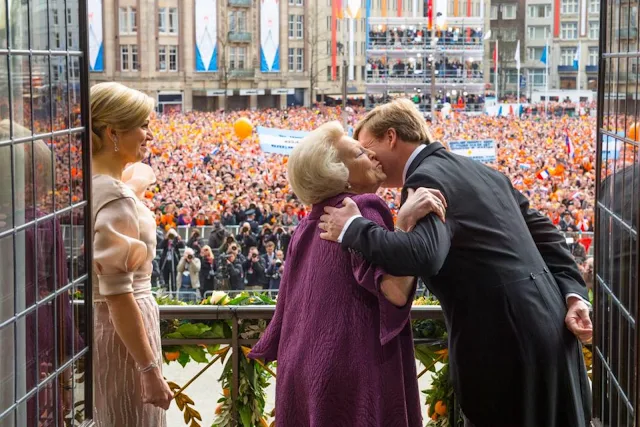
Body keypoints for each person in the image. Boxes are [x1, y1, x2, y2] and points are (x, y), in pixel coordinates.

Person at [318, 99, 592, 427]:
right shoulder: (484, 172)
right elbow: (549, 237)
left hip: (502, 342)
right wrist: (574, 295)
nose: (367, 157)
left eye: (365, 147)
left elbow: (426, 254)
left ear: (391, 137)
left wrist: (353, 228)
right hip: (553, 325)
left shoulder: (424, 178)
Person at [249, 121, 446, 426]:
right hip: (349, 367)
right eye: (359, 154)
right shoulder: (364, 207)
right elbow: (394, 291)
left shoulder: (306, 225)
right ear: (339, 174)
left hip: (299, 369)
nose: (372, 157)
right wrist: (405, 222)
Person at [91, 82, 172, 427]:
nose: (149, 136)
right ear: (112, 132)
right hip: (126, 339)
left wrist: (131, 190)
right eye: (143, 126)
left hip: (106, 330)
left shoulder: (95, 187)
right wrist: (149, 369)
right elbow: (120, 294)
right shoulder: (116, 199)